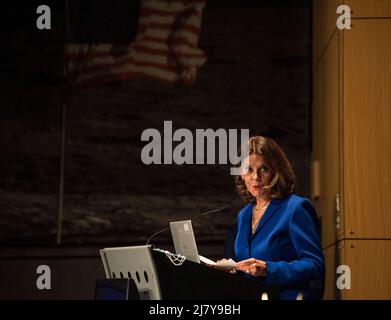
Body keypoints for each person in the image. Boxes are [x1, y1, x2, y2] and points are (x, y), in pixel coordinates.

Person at [225, 136, 325, 300]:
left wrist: (269, 269)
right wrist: (232, 269)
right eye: (249, 169)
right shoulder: (243, 215)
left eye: (263, 169)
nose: (255, 177)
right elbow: (247, 267)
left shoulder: (295, 208)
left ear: (276, 172)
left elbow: (315, 265)